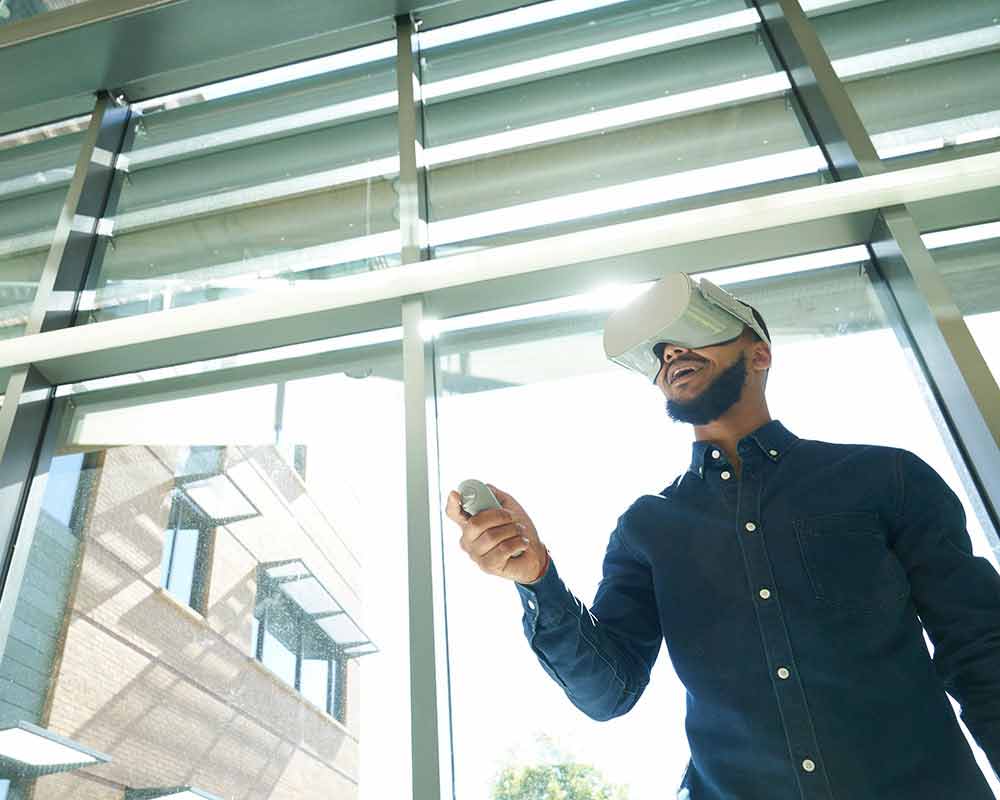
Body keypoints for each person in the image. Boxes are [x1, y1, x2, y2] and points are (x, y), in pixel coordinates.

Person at [444, 293, 1000, 800]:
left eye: (692, 333)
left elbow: (982, 650)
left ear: (760, 355)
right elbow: (606, 693)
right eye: (659, 354)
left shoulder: (888, 478)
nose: (670, 354)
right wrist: (537, 578)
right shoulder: (647, 528)